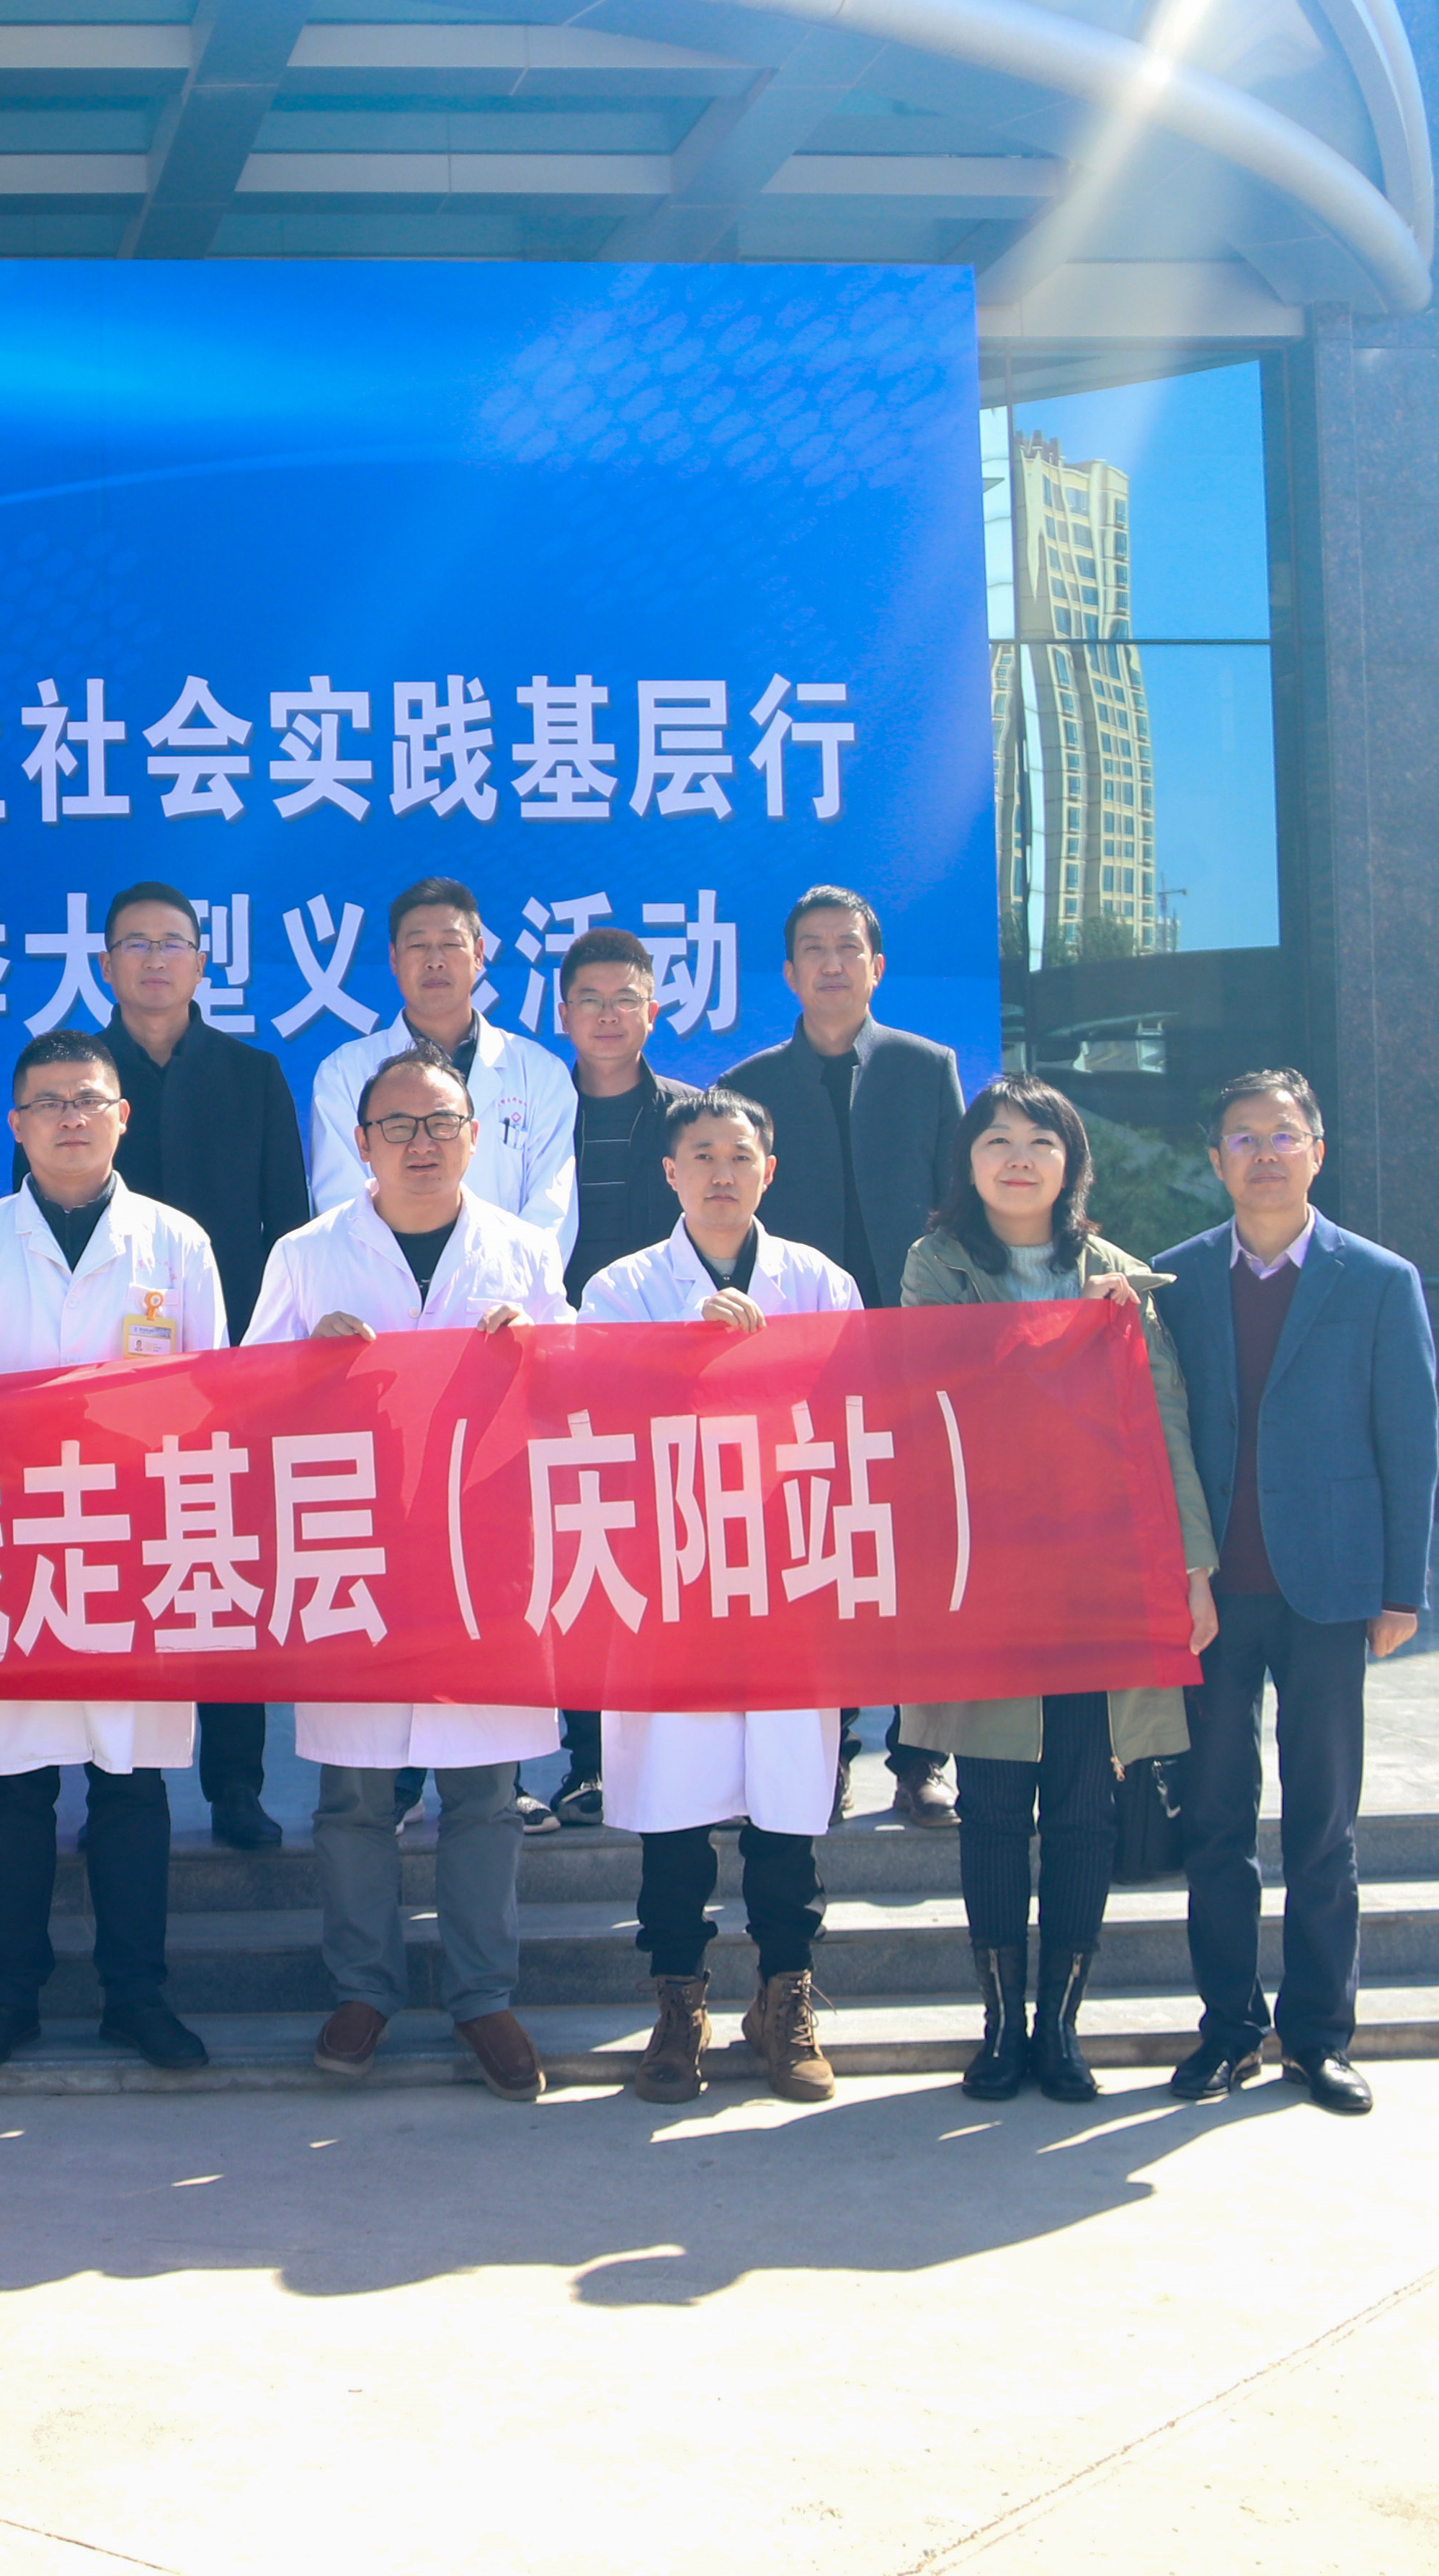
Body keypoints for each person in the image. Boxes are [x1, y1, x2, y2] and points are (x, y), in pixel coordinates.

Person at [890, 1078, 1219, 2105]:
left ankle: (1060, 2028)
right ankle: (999, 2026)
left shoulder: (1119, 1275)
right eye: (997, 1140)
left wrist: (1193, 1567)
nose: (1019, 1158)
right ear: (969, 1161)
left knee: (1084, 1807)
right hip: (986, 1573)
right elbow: (943, 1390)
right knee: (992, 1803)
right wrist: (1073, 1335)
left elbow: (1166, 1423)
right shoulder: (936, 1264)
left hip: (1098, 1574)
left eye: (1042, 1140)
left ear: (1072, 1163)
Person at [0, 1029, 233, 2074]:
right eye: (48, 1103)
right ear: (16, 1124)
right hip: (6, 1550)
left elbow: (216, 1402)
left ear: (121, 1117)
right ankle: (8, 1995)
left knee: (131, 1785)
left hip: (137, 1551)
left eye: (88, 1100)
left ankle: (136, 1995)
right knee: (14, 1789)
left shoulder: (176, 1243)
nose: (70, 1119)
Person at [250, 1051, 566, 2099]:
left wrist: (540, 1351)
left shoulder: (524, 1251)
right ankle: (365, 1989)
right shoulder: (307, 1254)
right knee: (354, 1794)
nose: (421, 1143)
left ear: (475, 1136)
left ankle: (484, 1996)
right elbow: (245, 1393)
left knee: (484, 1792)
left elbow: (579, 1394)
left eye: (440, 1124)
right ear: (361, 1143)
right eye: (398, 1126)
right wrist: (305, 1359)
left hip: (482, 1553)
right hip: (356, 1551)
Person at [1154, 1068, 1436, 2118]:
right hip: (1214, 1596)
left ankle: (1319, 2037)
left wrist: (1401, 1588)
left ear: (1319, 1151)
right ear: (1216, 1159)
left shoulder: (1380, 1280)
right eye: (1243, 1137)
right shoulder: (1177, 1279)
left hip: (1330, 1588)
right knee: (1216, 1820)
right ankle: (1228, 2028)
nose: (1265, 1153)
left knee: (1323, 1824)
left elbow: (1410, 1441)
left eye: (1284, 1135)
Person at [578, 1089, 855, 2106]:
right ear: (670, 1173)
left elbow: (856, 1413)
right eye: (701, 1155)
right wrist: (686, 1357)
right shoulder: (620, 1288)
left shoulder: (819, 1281)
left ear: (769, 1171)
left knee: (787, 1801)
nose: (722, 1173)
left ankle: (784, 1997)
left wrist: (761, 1361)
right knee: (675, 1804)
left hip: (787, 1570)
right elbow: (591, 1414)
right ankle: (677, 2002)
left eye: (740, 1155)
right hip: (670, 1573)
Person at [68, 883, 311, 1853]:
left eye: (173, 943)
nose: (155, 960)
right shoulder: (74, 1080)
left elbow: (290, 1230)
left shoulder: (253, 1075)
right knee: (116, 1573)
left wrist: (276, 1360)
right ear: (106, 965)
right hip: (105, 1376)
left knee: (225, 1573)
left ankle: (237, 1784)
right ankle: (117, 1781)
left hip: (229, 1367)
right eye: (135, 944)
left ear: (203, 963)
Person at [718, 887, 968, 1828]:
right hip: (800, 1359)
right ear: (789, 973)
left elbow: (959, 1210)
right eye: (813, 950)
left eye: (848, 947)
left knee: (919, 1555)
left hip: (911, 1351)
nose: (832, 963)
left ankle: (923, 1755)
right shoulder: (749, 1087)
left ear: (877, 965)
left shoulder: (926, 1068)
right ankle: (830, 1749)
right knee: (822, 1556)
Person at [541, 923, 694, 1831]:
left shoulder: (690, 1116)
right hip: (552, 1372)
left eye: (624, 999)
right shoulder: (529, 1108)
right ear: (562, 1013)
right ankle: (589, 1759)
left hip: (665, 1372)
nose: (607, 1016)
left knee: (669, 1562)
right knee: (580, 1562)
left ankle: (679, 1752)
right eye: (590, 1001)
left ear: (654, 1009)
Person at [300, 878, 575, 1240]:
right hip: (380, 1275)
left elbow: (552, 1214)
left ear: (479, 954)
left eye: (451, 944)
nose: (434, 961)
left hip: (511, 1278)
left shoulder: (540, 1073)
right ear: (394, 958)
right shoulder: (344, 1073)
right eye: (418, 946)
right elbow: (342, 1208)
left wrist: (498, 1276)